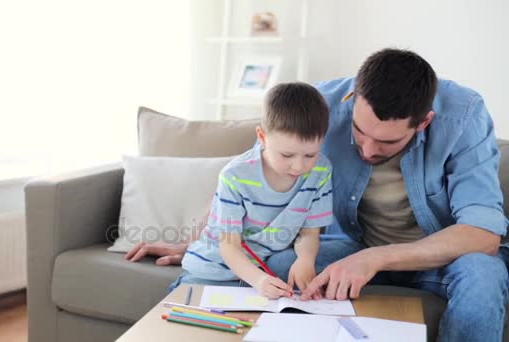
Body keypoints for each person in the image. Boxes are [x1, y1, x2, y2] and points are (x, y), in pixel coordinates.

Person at [126, 48, 508, 341]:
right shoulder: (320, 105)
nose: (369, 149)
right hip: (350, 248)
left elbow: (483, 233)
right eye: (360, 131)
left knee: (483, 279)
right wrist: (197, 243)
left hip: (442, 260)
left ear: (423, 122)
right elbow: (246, 174)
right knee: (272, 271)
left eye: (388, 141)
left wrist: (375, 259)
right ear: (352, 98)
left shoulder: (464, 116)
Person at [172, 82, 334, 299]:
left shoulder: (321, 170)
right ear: (262, 137)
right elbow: (229, 246)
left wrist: (305, 260)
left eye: (310, 155)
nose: (299, 166)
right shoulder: (235, 176)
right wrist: (259, 280)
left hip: (263, 272)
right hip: (215, 269)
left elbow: (309, 232)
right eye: (287, 155)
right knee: (185, 313)